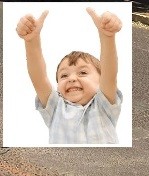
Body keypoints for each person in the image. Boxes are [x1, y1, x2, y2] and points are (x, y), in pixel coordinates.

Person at [16, 8, 123, 144]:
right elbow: (39, 77)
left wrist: (107, 37)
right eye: (64, 75)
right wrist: (31, 41)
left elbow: (110, 73)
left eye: (83, 72)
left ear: (100, 81)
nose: (72, 78)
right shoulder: (55, 107)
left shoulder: (104, 106)